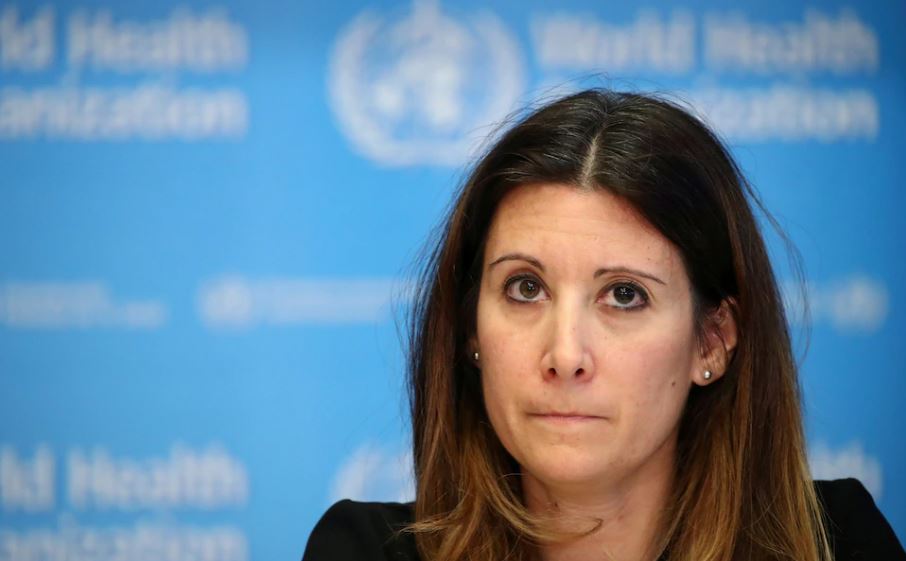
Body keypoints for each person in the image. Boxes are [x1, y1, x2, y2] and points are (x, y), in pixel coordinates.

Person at [303, 89, 905, 561]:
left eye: (624, 295)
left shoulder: (836, 544)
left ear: (712, 341)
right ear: (470, 330)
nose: (565, 355)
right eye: (526, 288)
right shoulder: (364, 551)